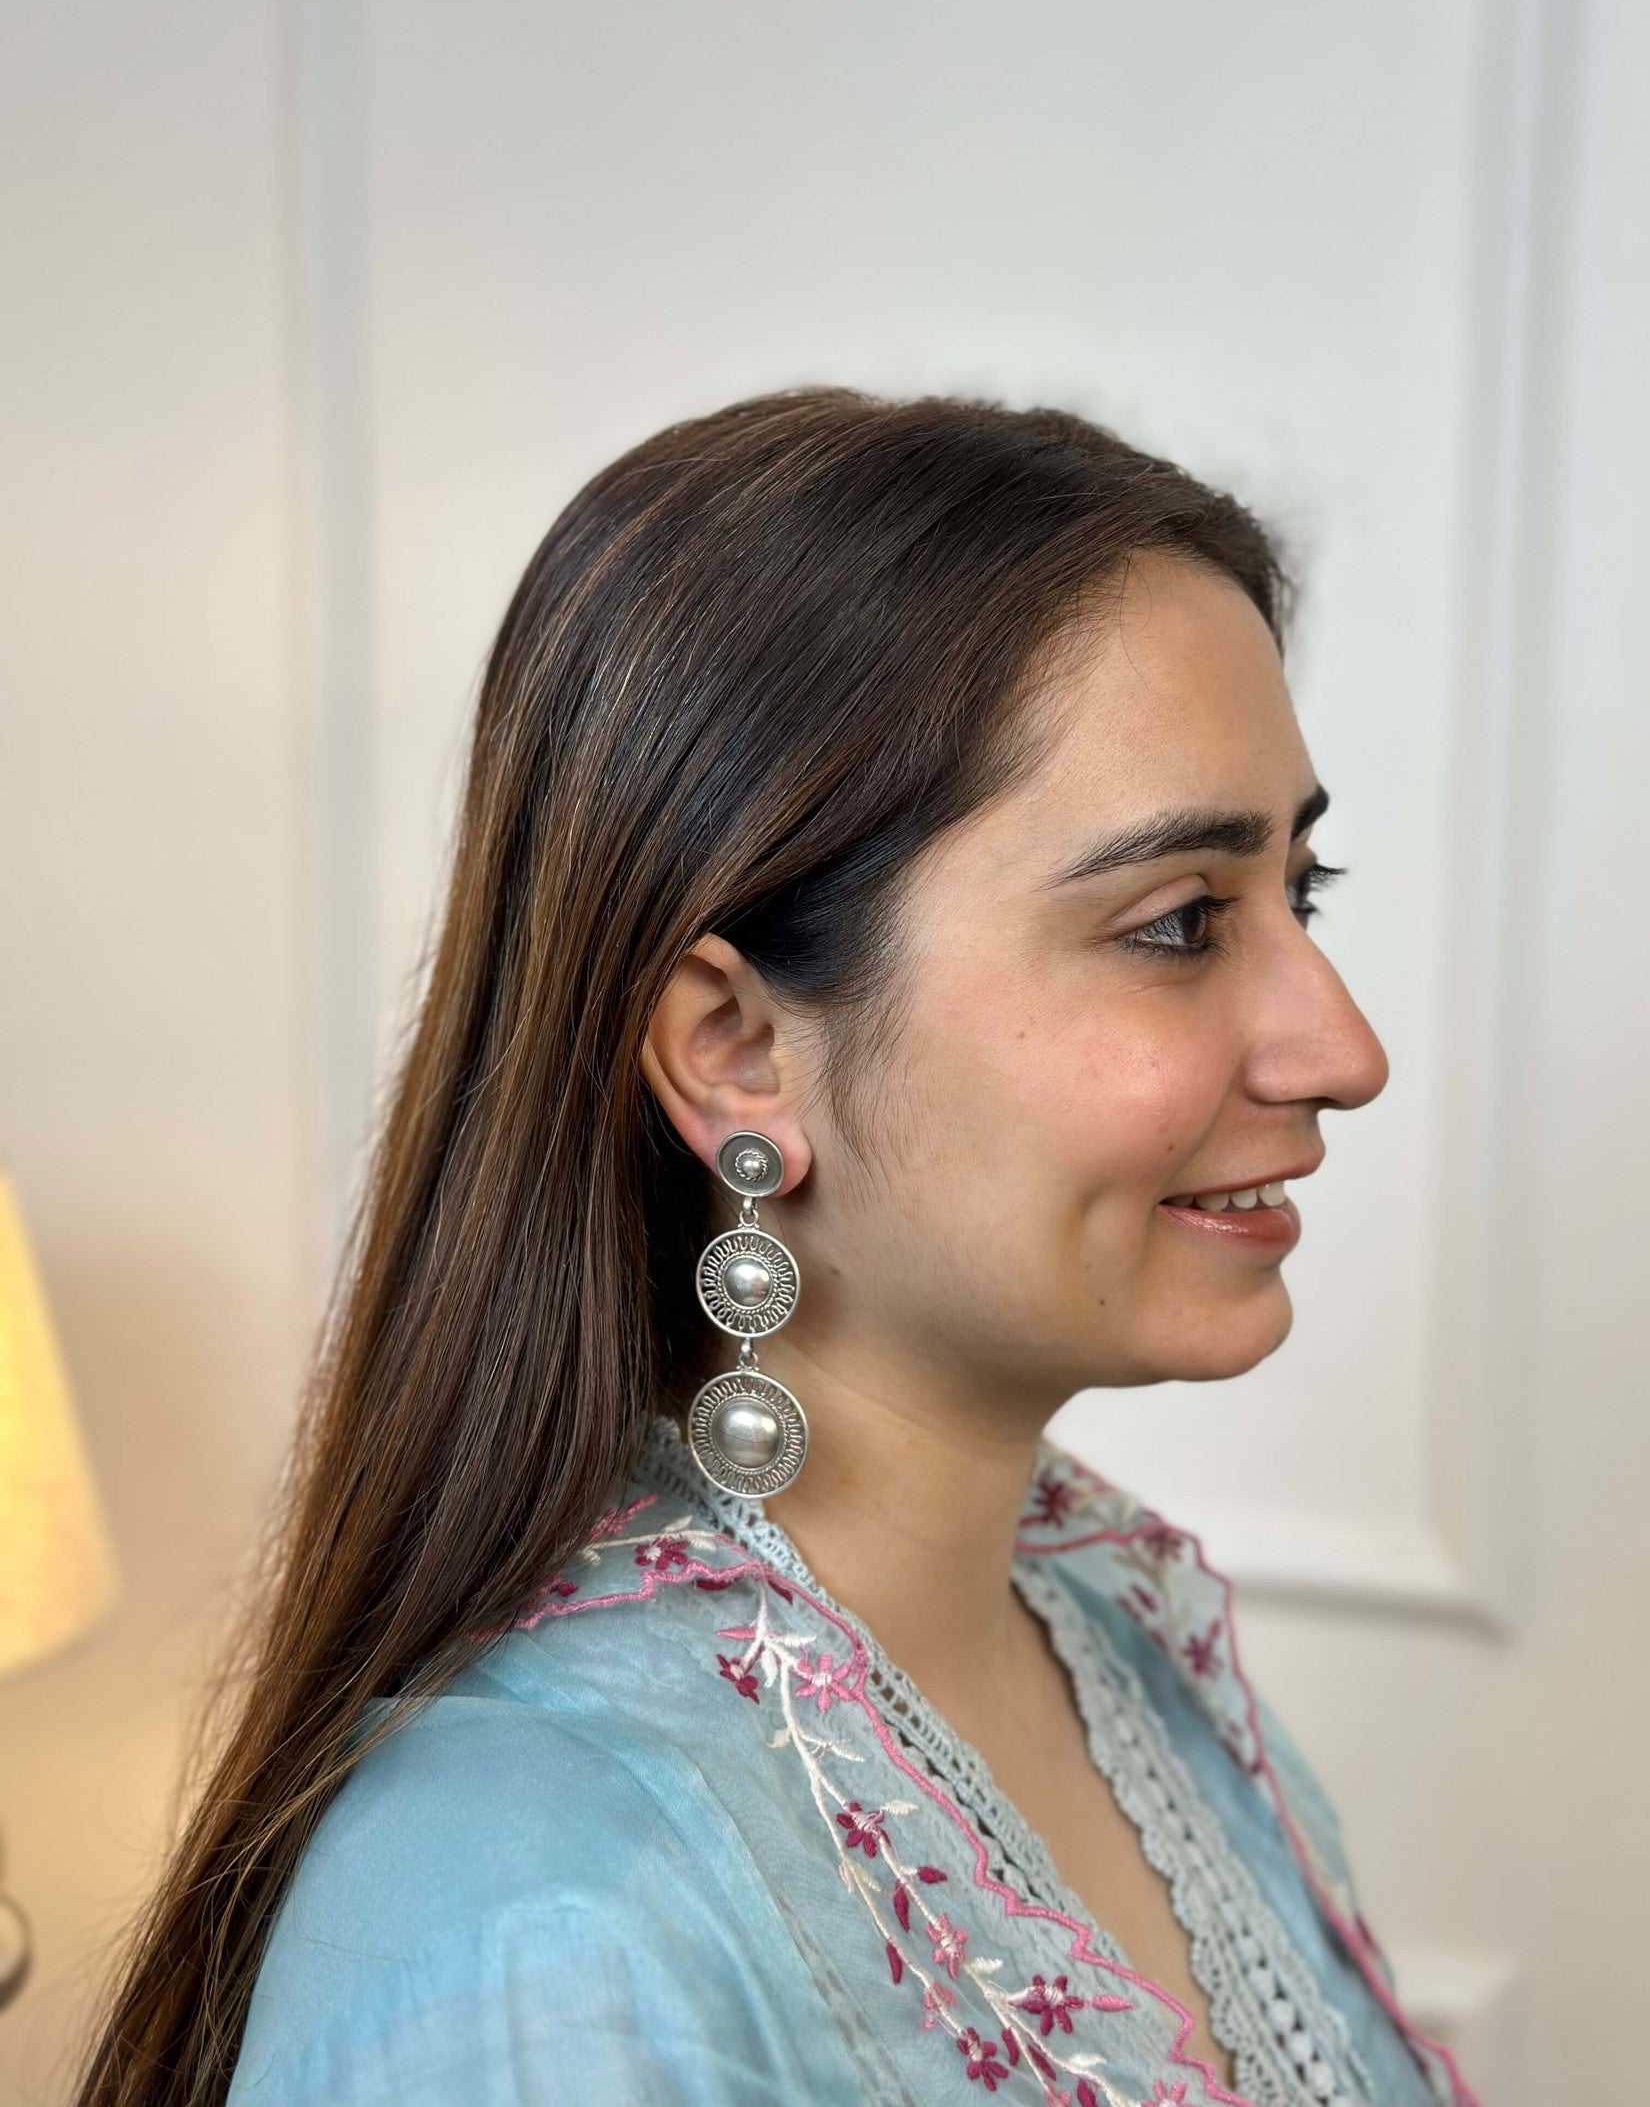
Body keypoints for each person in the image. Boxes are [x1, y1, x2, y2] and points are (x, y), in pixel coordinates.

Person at [75, 389, 1479, 2106]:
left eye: (1296, 898)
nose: (1339, 1049)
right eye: (1176, 924)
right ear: (736, 1050)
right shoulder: (537, 1914)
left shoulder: (1116, 1627)